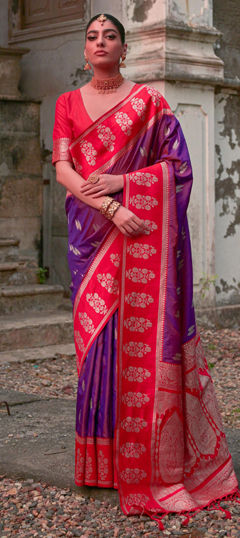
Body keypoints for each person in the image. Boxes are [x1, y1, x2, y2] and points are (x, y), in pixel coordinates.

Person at [52, 13, 239, 528]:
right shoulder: (68, 104)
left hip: (138, 238)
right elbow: (64, 167)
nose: (100, 42)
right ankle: (98, 463)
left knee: (130, 342)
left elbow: (177, 168)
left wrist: (124, 181)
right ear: (84, 48)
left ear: (124, 47)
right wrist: (113, 206)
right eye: (91, 36)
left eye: (110, 35)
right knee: (95, 344)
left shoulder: (148, 103)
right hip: (91, 235)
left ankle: (143, 460)